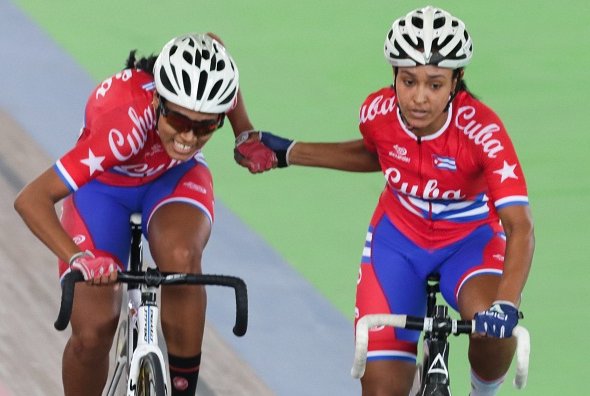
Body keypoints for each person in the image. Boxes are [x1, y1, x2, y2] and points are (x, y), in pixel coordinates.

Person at [234, 6, 534, 396]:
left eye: (435, 84)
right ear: (394, 75)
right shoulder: (376, 112)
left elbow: (520, 227)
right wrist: (290, 151)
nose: (420, 98)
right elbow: (378, 153)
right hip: (398, 244)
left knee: (492, 330)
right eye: (408, 81)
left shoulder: (483, 131)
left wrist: (506, 306)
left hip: (469, 243)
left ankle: (483, 392)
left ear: (457, 82)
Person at [14, 33, 255, 396]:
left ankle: (182, 388)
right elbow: (31, 198)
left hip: (170, 177)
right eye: (178, 119)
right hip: (105, 189)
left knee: (182, 258)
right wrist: (80, 259)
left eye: (206, 126)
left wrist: (244, 133)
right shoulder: (124, 129)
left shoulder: (205, 101)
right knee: (93, 332)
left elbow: (215, 49)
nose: (189, 138)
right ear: (159, 99)